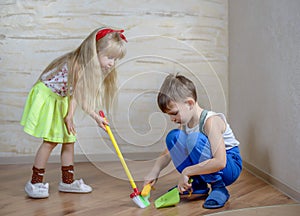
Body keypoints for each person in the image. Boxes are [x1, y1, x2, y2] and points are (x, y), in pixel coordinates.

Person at [21, 27, 127, 198]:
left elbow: (79, 97)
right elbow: (76, 94)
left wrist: (96, 117)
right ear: (94, 52)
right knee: (50, 141)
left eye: (115, 59)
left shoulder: (87, 68)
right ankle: (34, 183)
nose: (111, 63)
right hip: (49, 97)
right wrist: (69, 116)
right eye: (109, 57)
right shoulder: (77, 65)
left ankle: (67, 181)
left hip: (62, 98)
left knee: (69, 140)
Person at [144, 74, 242, 209]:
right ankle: (197, 184)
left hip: (228, 165)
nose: (172, 119)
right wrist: (155, 171)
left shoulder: (210, 122)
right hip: (211, 163)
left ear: (189, 103)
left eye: (174, 113)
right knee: (173, 137)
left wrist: (187, 171)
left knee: (193, 139)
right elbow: (168, 153)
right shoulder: (186, 123)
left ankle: (218, 187)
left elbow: (220, 162)